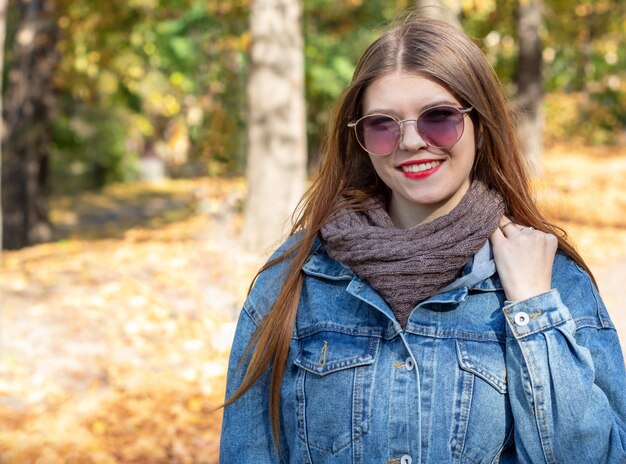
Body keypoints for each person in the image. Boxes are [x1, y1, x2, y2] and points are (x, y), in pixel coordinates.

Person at [219, 15, 626, 463]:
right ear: (361, 139)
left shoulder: (554, 282)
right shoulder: (295, 281)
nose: (411, 141)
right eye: (383, 124)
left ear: (480, 125)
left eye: (439, 118)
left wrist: (533, 310)